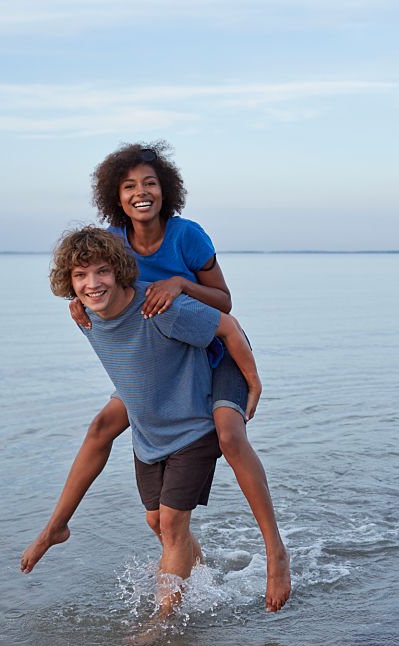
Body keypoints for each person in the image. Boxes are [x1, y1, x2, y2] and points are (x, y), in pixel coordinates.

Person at [68, 141, 290, 612]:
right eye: (129, 186)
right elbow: (91, 277)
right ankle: (196, 568)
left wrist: (180, 284)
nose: (141, 192)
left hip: (216, 346)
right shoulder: (113, 239)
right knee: (118, 449)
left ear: (166, 190)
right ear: (116, 195)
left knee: (229, 434)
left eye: (150, 183)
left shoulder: (186, 235)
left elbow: (225, 303)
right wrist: (76, 300)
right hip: (167, 359)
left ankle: (275, 551)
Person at [20, 226, 260, 617]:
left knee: (171, 524)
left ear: (118, 270)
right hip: (150, 432)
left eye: (101, 272)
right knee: (156, 521)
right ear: (68, 282)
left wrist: (252, 383)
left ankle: (164, 620)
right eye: (80, 276)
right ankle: (202, 578)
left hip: (194, 425)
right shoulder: (86, 317)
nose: (92, 284)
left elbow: (227, 326)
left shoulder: (158, 307)